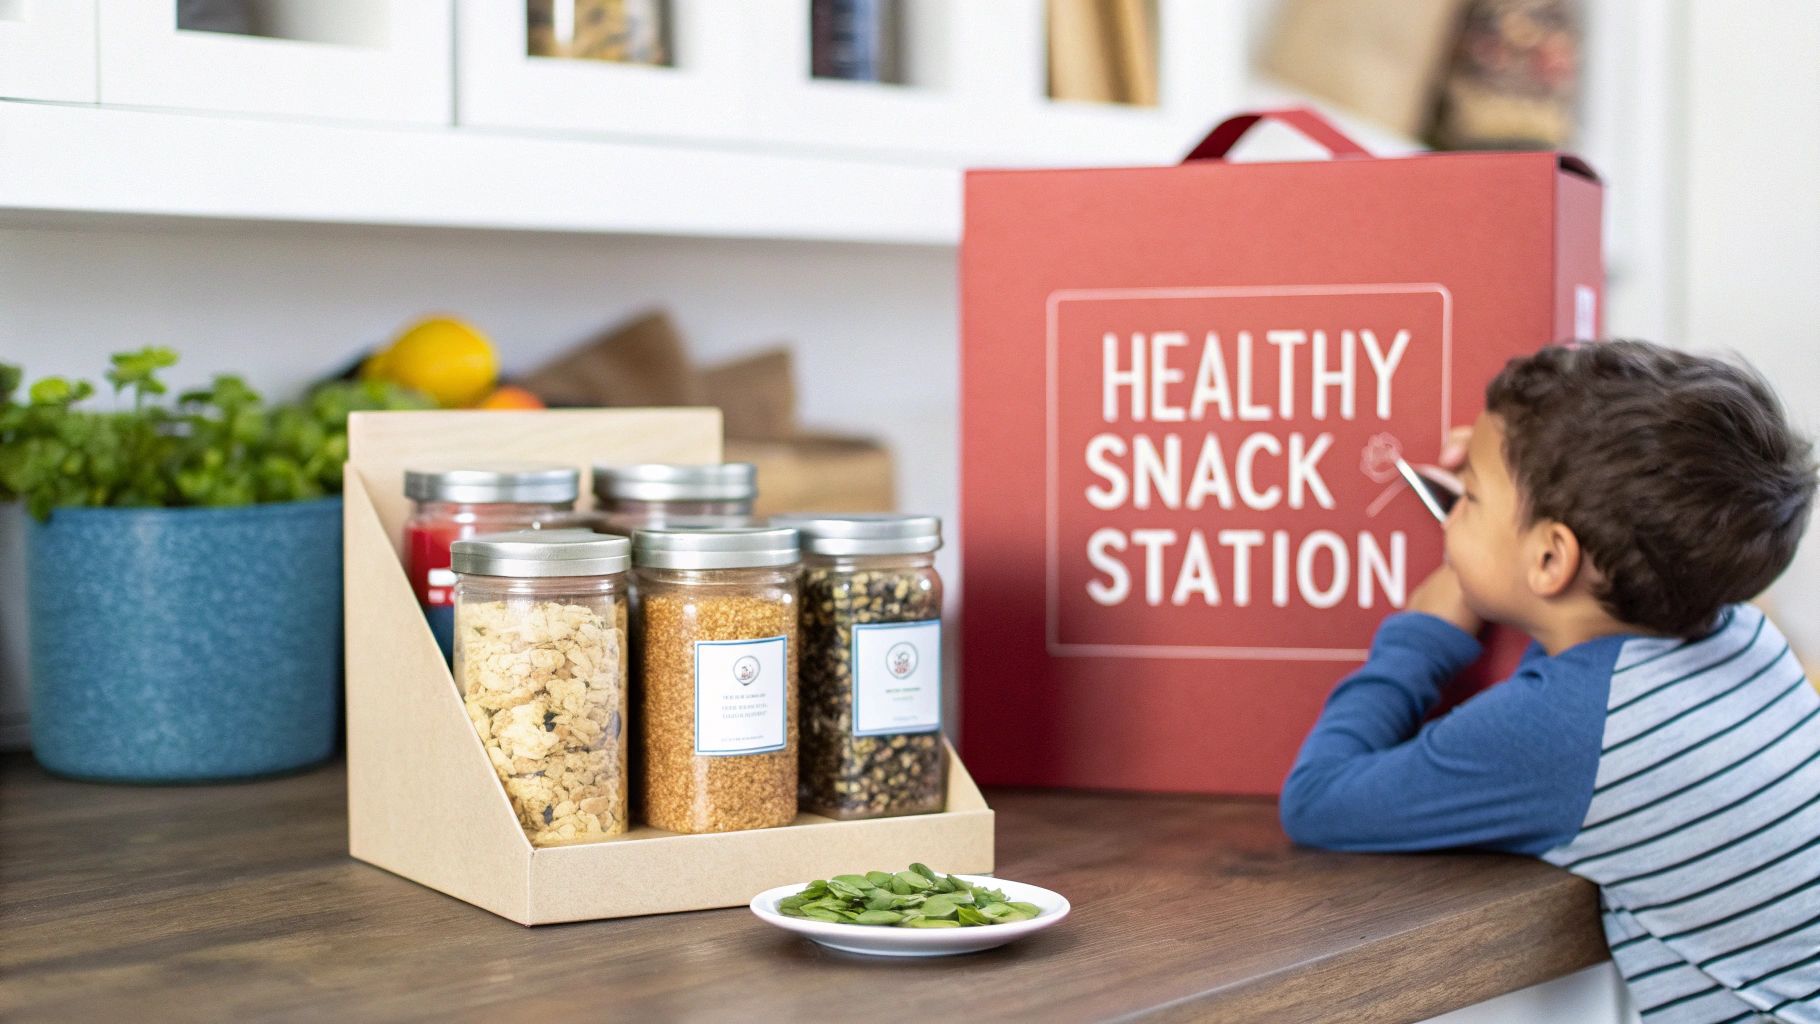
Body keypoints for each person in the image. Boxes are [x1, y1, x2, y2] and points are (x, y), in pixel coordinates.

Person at [1279, 340, 1820, 1023]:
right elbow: (1587, 656)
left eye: (1469, 498)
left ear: (1552, 555)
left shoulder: (1563, 733)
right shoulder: (1747, 635)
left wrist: (1423, 634)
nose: (1457, 511)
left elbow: (1317, 799)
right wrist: (1508, 488)